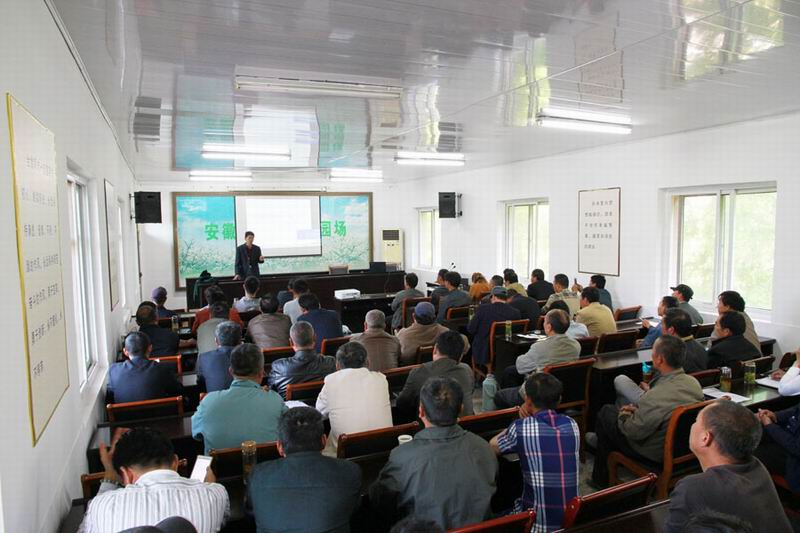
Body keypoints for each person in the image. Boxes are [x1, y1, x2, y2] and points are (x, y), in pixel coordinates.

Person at [368, 377, 498, 529]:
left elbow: (380, 500)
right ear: (461, 409)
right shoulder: (484, 448)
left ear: (421, 411)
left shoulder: (401, 457)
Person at [589, 335, 704, 487]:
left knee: (607, 413)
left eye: (653, 352)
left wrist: (625, 413)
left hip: (654, 452)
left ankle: (600, 480)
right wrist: (638, 410)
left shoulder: (656, 396)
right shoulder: (693, 383)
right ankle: (602, 442)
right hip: (683, 448)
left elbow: (632, 431)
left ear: (660, 359)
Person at [664, 401, 792, 533]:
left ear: (705, 438)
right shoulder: (757, 466)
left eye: (696, 421)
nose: (693, 425)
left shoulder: (692, 487)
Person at [81, 428, 229, 533]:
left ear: (126, 474)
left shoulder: (100, 506)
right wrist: (210, 485)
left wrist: (110, 476)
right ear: (175, 463)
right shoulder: (215, 494)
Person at [249, 407, 361, 533]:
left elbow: (251, 511)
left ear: (279, 447)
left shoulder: (258, 476)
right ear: (324, 441)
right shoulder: (350, 472)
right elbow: (353, 508)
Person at [490, 373, 579, 533]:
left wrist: (520, 419)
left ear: (528, 401)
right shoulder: (572, 425)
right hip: (571, 520)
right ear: (559, 400)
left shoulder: (521, 428)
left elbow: (492, 446)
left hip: (535, 525)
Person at [192, 343, 286, 454]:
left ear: (230, 371)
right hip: (267, 464)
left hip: (219, 466)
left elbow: (196, 435)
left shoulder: (208, 402)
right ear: (261, 373)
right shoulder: (275, 400)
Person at [316, 342, 392, 456]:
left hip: (345, 454)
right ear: (368, 362)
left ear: (337, 366)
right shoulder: (381, 379)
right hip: (384, 450)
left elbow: (319, 413)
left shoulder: (331, 381)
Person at [494, 309, 580, 408]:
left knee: (499, 396)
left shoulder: (540, 347)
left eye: (545, 321)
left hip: (540, 393)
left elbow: (520, 366)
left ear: (549, 327)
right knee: (510, 371)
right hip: (565, 389)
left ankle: (519, 410)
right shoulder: (576, 345)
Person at [395, 331, 474, 422]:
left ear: (435, 348)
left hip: (430, 426)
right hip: (466, 425)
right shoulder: (467, 370)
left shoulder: (418, 372)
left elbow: (402, 404)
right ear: (461, 356)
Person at [106, 332, 182, 404]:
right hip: (160, 413)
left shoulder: (114, 371)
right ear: (150, 348)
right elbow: (178, 391)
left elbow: (110, 398)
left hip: (125, 414)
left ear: (125, 352)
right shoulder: (162, 368)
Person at [269, 322, 336, 398]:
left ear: (291, 342)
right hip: (323, 405)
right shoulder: (331, 363)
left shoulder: (278, 368)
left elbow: (271, 394)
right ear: (315, 338)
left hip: (289, 406)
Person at [396, 302, 469, 365]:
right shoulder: (445, 333)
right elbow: (465, 346)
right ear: (435, 317)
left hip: (413, 372)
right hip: (441, 370)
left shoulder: (403, 335)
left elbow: (400, 357)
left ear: (413, 316)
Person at [466, 286, 520, 367]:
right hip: (508, 350)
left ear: (493, 297)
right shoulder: (516, 312)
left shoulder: (483, 309)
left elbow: (471, 329)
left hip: (485, 351)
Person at [756, 400, 800, 492]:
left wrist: (770, 426)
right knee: (750, 434)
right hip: (789, 437)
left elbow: (795, 447)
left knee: (750, 453)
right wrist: (775, 415)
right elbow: (796, 409)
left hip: (794, 461)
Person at [196, 321, 241, 393]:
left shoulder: (204, 358)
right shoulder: (251, 356)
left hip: (215, 398)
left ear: (216, 340)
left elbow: (201, 382)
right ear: (240, 340)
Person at [661, 308, 708, 373]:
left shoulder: (672, 355)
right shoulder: (702, 348)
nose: (660, 327)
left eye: (662, 324)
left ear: (671, 330)